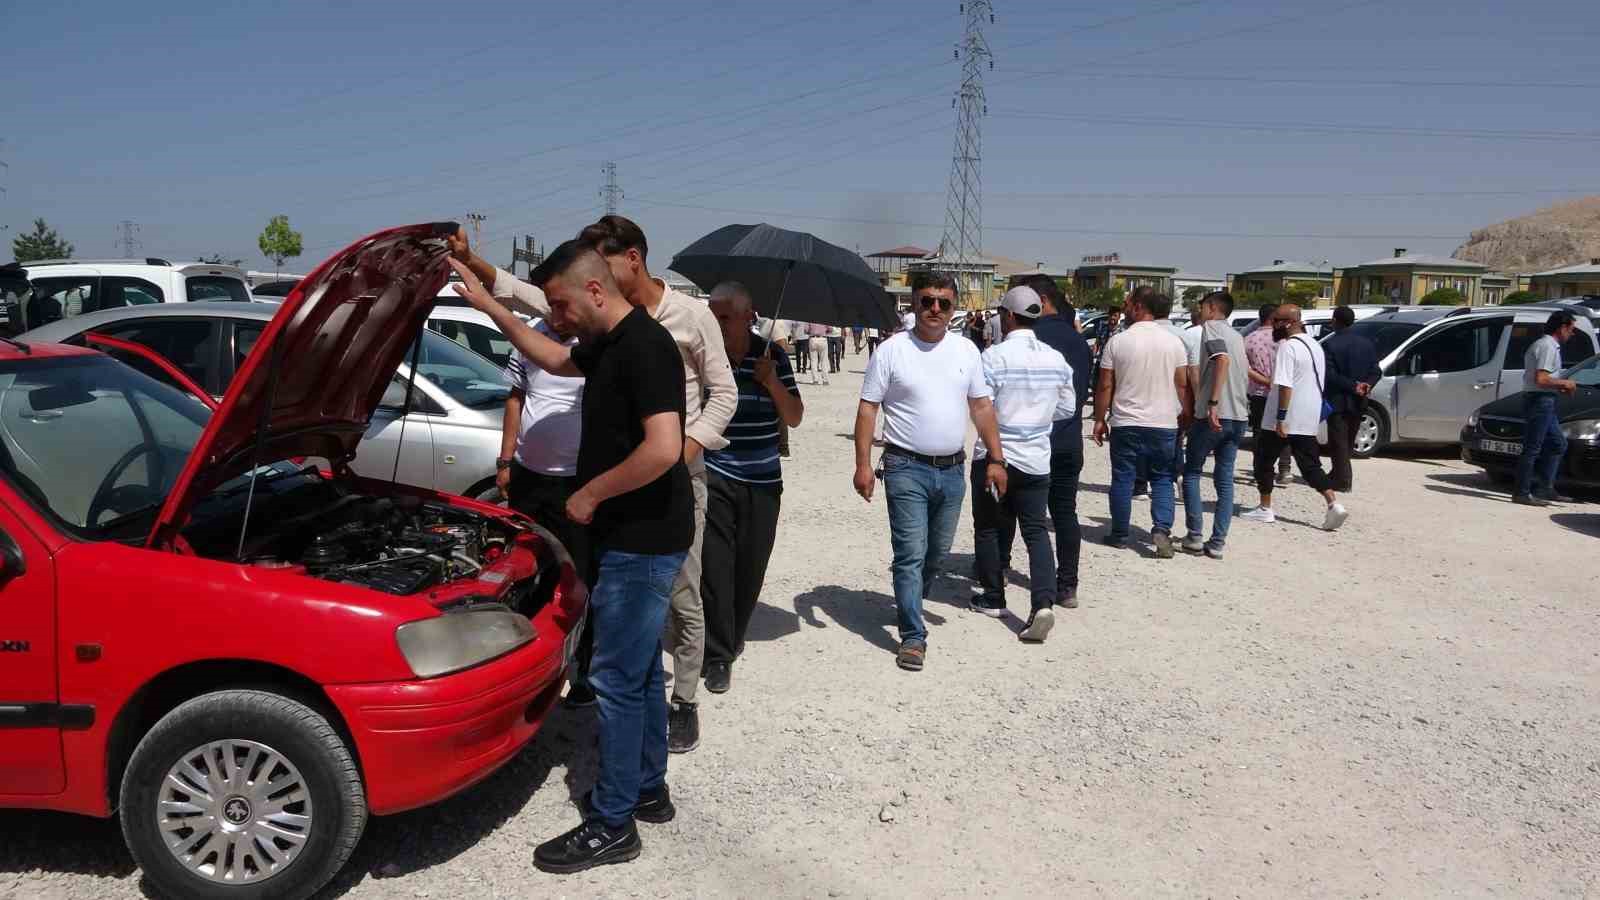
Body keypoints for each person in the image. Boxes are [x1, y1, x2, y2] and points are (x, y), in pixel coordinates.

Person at [448, 242, 692, 875]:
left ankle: (613, 824)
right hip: (629, 533)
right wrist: (486, 305)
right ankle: (646, 788)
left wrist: (588, 493)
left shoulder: (645, 347)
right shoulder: (606, 343)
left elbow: (664, 448)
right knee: (635, 673)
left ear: (594, 291)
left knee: (612, 676)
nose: (555, 315)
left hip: (643, 537)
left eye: (559, 302)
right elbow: (553, 358)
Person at [575, 216, 737, 755]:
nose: (592, 276)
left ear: (634, 259)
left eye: (603, 263)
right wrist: (486, 280)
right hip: (624, 481)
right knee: (627, 594)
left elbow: (724, 394)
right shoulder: (607, 320)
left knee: (681, 592)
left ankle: (684, 699)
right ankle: (633, 695)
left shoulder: (689, 316)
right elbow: (542, 297)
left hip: (678, 476)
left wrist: (685, 451)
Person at [853, 271, 1006, 672]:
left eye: (943, 302)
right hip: (905, 467)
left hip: (953, 471)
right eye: (926, 301)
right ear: (914, 304)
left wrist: (996, 458)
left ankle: (911, 603)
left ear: (954, 308)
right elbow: (868, 407)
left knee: (935, 554)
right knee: (910, 553)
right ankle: (912, 636)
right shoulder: (891, 351)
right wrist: (862, 464)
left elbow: (982, 407)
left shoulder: (967, 352)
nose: (934, 309)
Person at [700, 282, 804, 692]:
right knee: (715, 568)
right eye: (713, 315)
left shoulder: (773, 355)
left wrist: (772, 382)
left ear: (749, 316)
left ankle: (733, 634)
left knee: (750, 567)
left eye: (725, 316)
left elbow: (794, 417)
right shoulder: (703, 355)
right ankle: (719, 654)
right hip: (714, 473)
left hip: (763, 480)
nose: (717, 323)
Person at [969, 286, 1075, 642]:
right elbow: (1068, 408)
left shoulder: (993, 357)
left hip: (995, 456)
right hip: (1036, 458)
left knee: (988, 527)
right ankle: (1042, 603)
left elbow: (981, 405)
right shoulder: (1056, 358)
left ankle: (993, 595)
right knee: (1035, 532)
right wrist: (1038, 417)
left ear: (1008, 316)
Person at [498, 315, 595, 697]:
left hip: (577, 482)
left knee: (581, 576)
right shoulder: (531, 332)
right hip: (528, 478)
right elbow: (515, 397)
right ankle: (529, 667)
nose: (556, 312)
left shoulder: (595, 337)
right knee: (528, 572)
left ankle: (583, 671)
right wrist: (505, 461)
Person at [1092, 290, 1191, 558]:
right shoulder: (1173, 343)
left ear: (1138, 307)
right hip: (1163, 422)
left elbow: (1105, 384)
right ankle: (1161, 528)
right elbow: (1182, 383)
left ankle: (1120, 534)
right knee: (1161, 478)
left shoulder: (1118, 342)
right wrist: (1186, 414)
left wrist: (1099, 419)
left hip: (1126, 421)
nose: (1123, 308)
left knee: (1123, 477)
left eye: (1127, 304)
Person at [1239, 305, 1349, 530]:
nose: (1273, 325)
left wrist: (1281, 417)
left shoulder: (1288, 347)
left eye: (1277, 321)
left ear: (1288, 323)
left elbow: (1285, 385)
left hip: (1283, 417)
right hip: (1307, 416)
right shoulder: (1315, 345)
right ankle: (1333, 503)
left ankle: (1265, 508)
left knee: (1264, 461)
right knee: (1310, 465)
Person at [1025, 275, 1093, 609]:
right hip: (1069, 441)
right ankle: (1067, 585)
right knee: (1065, 513)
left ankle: (997, 569)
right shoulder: (1080, 342)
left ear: (1040, 299)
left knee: (1023, 513)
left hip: (1033, 441)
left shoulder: (1030, 338)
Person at [1179, 291, 1250, 559]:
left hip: (1214, 415)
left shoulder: (1210, 328)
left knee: (1193, 472)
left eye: (1201, 306)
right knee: (1225, 479)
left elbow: (1221, 359)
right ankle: (1218, 542)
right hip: (1238, 416)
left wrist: (1212, 402)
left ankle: (1195, 535)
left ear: (1211, 308)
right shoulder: (1237, 335)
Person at [1512, 310, 1580, 506]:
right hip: (1539, 399)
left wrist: (1559, 385)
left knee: (1558, 443)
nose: (1572, 333)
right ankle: (1522, 492)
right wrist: (1564, 383)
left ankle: (1545, 487)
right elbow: (1541, 379)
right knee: (1533, 447)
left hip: (1545, 399)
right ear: (1562, 327)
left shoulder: (1551, 346)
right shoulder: (1547, 346)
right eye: (1571, 329)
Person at [1320, 305, 1382, 494]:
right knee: (1347, 440)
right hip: (1359, 400)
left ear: (1335, 321)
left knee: (1338, 441)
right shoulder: (1367, 344)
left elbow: (1329, 375)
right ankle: (1337, 473)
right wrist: (1366, 385)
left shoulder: (1330, 344)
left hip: (1338, 399)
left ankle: (1343, 481)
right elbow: (1376, 370)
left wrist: (1352, 385)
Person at [1245, 303, 1293, 486]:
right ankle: (1285, 469)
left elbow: (1246, 368)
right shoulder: (1283, 339)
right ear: (1274, 318)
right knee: (1282, 428)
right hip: (1282, 391)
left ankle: (1261, 469)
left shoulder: (1249, 339)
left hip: (1259, 392)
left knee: (1259, 431)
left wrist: (1265, 381)